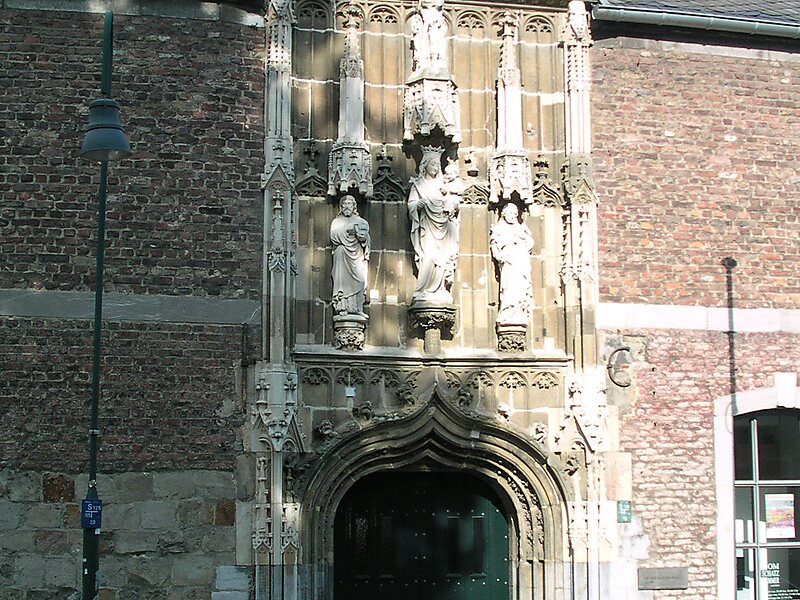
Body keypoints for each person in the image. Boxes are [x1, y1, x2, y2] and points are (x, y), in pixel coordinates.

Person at [408, 153, 460, 303]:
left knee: (442, 260)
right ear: (425, 166)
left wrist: (450, 205)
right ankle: (423, 289)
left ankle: (440, 289)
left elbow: (454, 202)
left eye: (438, 165)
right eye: (433, 164)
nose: (436, 168)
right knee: (429, 257)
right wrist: (417, 205)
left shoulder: (444, 187)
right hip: (426, 228)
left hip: (443, 229)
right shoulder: (418, 186)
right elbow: (411, 204)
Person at [490, 202, 534, 325]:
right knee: (508, 286)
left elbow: (530, 243)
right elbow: (495, 245)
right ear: (504, 214)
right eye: (510, 213)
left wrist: (521, 241)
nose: (512, 216)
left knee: (520, 286)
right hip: (508, 261)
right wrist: (500, 256)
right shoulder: (499, 228)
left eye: (515, 214)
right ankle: (507, 311)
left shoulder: (521, 228)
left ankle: (518, 311)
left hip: (520, 260)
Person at [330, 195, 370, 317]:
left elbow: (365, 237)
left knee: (359, 279)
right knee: (340, 250)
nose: (347, 206)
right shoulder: (336, 222)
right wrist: (348, 232)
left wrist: (357, 233)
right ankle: (342, 306)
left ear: (354, 206)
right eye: (345, 204)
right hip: (342, 257)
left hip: (356, 255)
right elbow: (334, 236)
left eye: (350, 204)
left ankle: (357, 308)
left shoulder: (361, 221)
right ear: (341, 207)